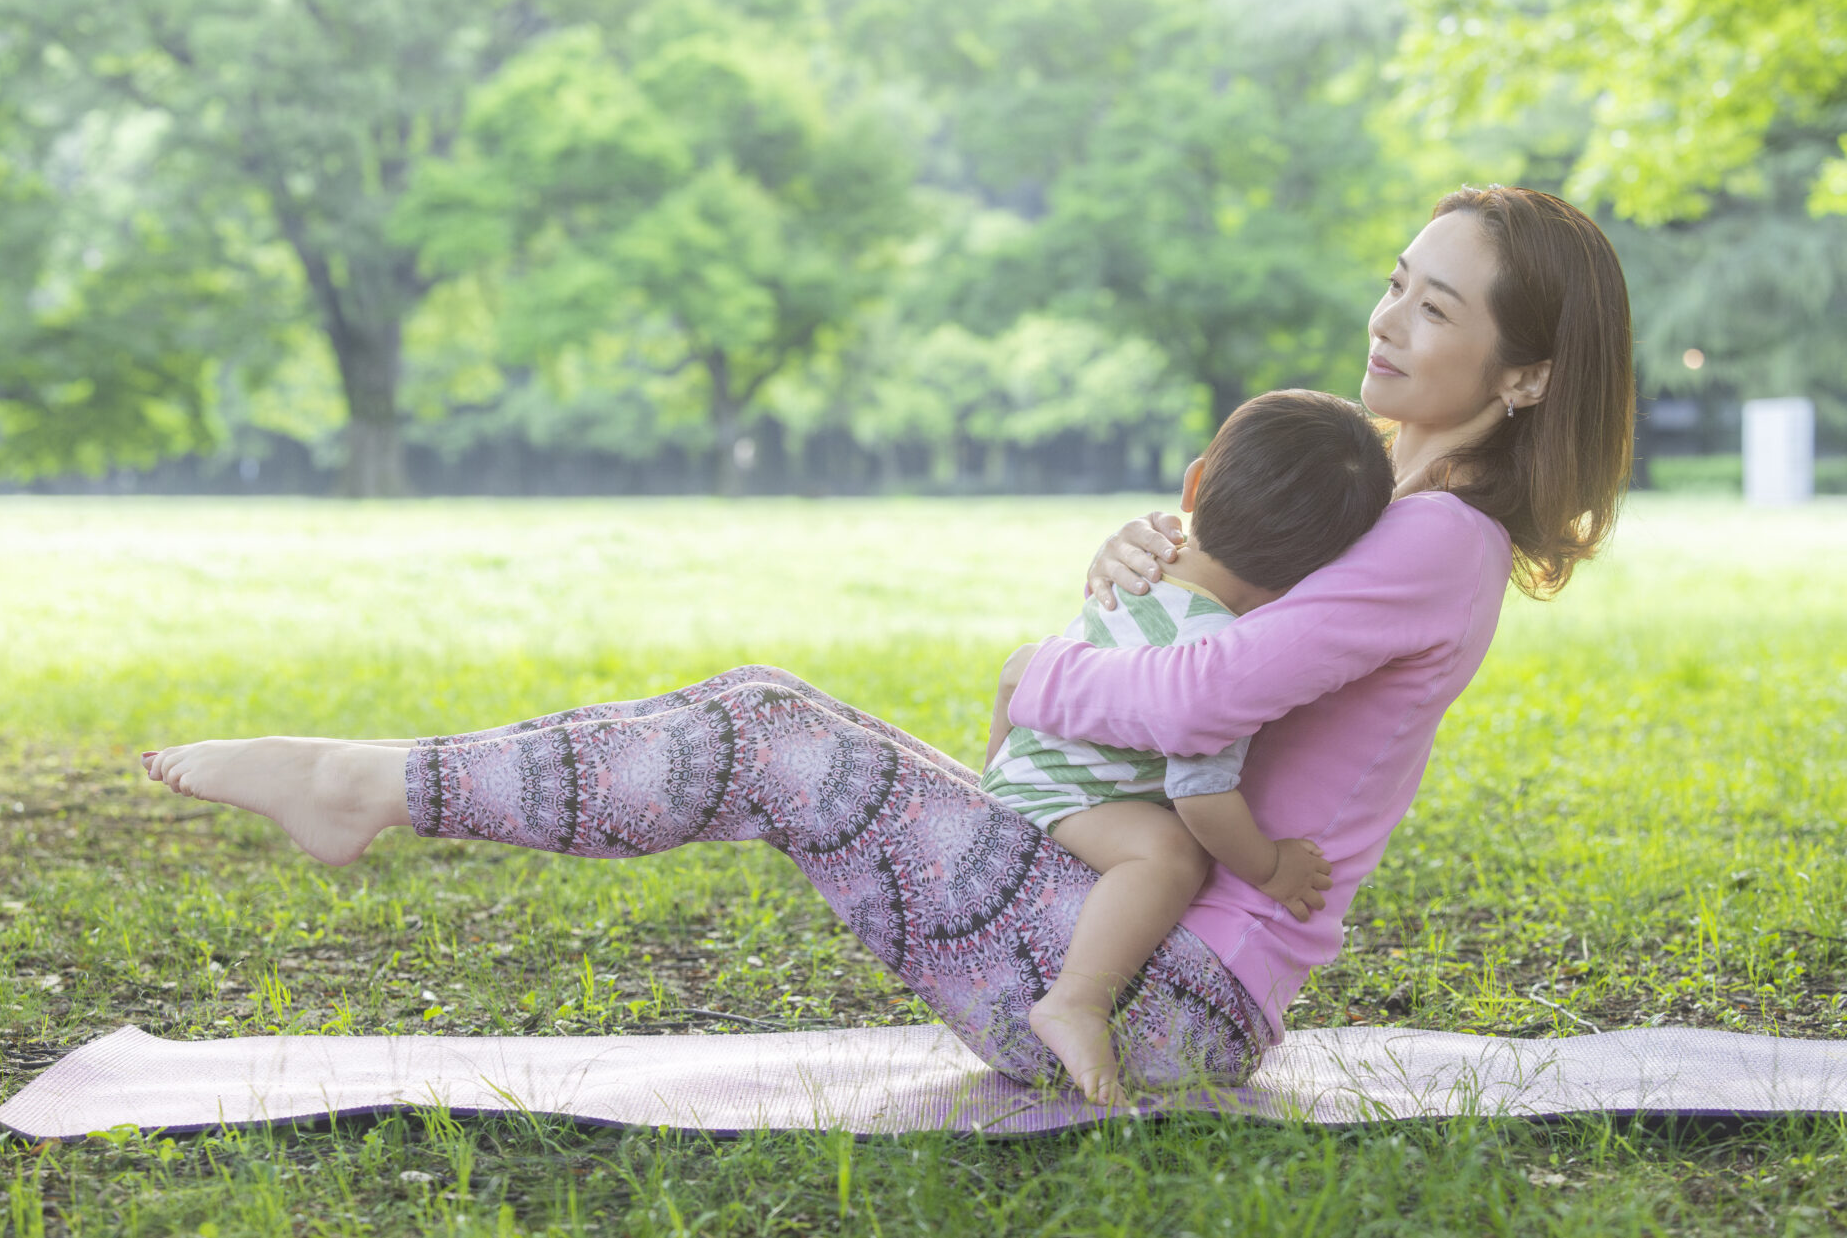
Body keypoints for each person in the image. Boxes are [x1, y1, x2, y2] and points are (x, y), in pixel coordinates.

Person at [138, 184, 1635, 1100]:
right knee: (765, 714)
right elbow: (1213, 630)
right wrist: (1139, 562)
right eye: (1394, 280)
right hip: (1122, 924)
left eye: (1434, 309)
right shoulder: (1383, 505)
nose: (1386, 321)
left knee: (771, 738)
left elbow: (1209, 693)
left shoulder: (1441, 542)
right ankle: (379, 787)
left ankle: (371, 789)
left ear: (1524, 378)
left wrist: (1040, 673)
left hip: (1164, 997)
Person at [983, 388, 1393, 1102]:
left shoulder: (1142, 567)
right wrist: (1270, 868)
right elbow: (1201, 794)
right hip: (1065, 793)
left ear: (1196, 482)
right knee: (1171, 851)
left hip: (1031, 770)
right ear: (1311, 580)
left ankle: (985, 794)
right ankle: (1076, 999)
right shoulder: (1220, 655)